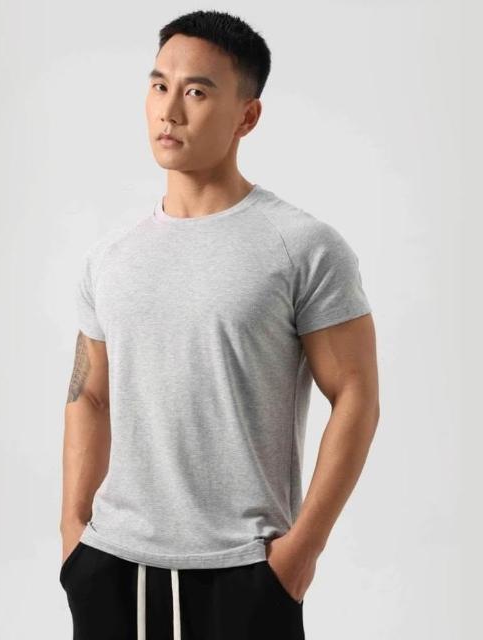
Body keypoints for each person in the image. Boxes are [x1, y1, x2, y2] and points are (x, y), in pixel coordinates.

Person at [59, 9, 380, 640]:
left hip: (246, 570)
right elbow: (88, 394)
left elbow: (356, 395)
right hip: (112, 566)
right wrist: (74, 534)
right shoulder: (110, 257)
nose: (169, 110)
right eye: (159, 85)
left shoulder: (302, 246)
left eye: (197, 92)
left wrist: (301, 552)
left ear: (247, 117)